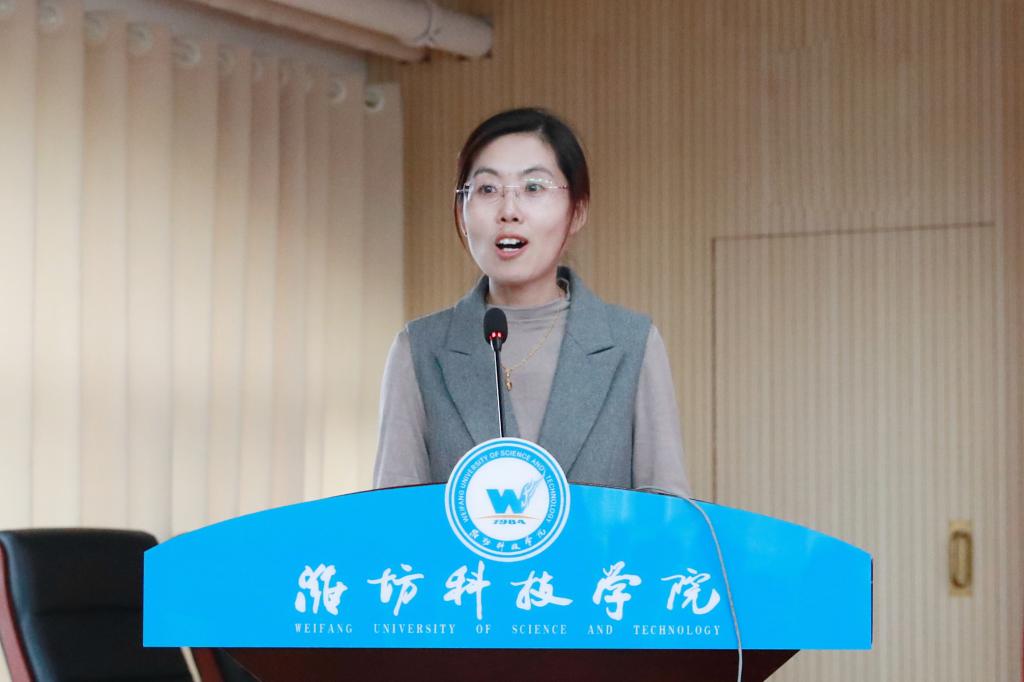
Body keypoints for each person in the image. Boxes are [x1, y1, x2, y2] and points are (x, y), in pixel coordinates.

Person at [372, 107, 691, 498]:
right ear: (461, 212)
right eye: (487, 189)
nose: (509, 211)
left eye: (534, 188)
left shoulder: (633, 344)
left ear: (577, 211)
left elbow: (667, 513)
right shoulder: (419, 349)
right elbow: (393, 516)